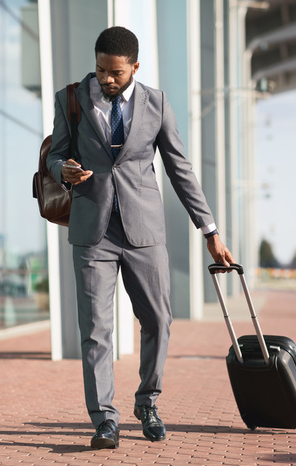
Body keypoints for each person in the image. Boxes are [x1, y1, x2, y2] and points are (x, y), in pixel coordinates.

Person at [46, 26, 234, 450]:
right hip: (93, 231)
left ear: (134, 67)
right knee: (95, 330)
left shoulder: (157, 103)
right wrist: (64, 170)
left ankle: (147, 402)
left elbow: (180, 169)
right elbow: (56, 153)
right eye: (99, 71)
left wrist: (210, 230)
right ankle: (104, 419)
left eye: (114, 72)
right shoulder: (71, 98)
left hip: (144, 231)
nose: (105, 80)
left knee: (158, 321)